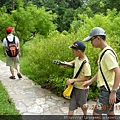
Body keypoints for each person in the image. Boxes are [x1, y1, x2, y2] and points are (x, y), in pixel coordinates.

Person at [83, 27, 120, 119]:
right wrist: (91, 81)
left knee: (96, 114)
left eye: (91, 40)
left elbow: (118, 71)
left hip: (108, 91)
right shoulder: (104, 52)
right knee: (110, 112)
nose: (91, 43)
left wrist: (113, 92)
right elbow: (102, 71)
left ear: (98, 38)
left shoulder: (107, 53)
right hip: (109, 89)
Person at [65, 40, 91, 118]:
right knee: (71, 106)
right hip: (75, 88)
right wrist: (68, 63)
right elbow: (75, 61)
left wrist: (73, 80)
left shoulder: (85, 63)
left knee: (83, 105)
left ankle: (85, 116)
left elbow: (87, 77)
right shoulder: (77, 58)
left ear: (79, 51)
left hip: (83, 89)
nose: (72, 53)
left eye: (73, 51)